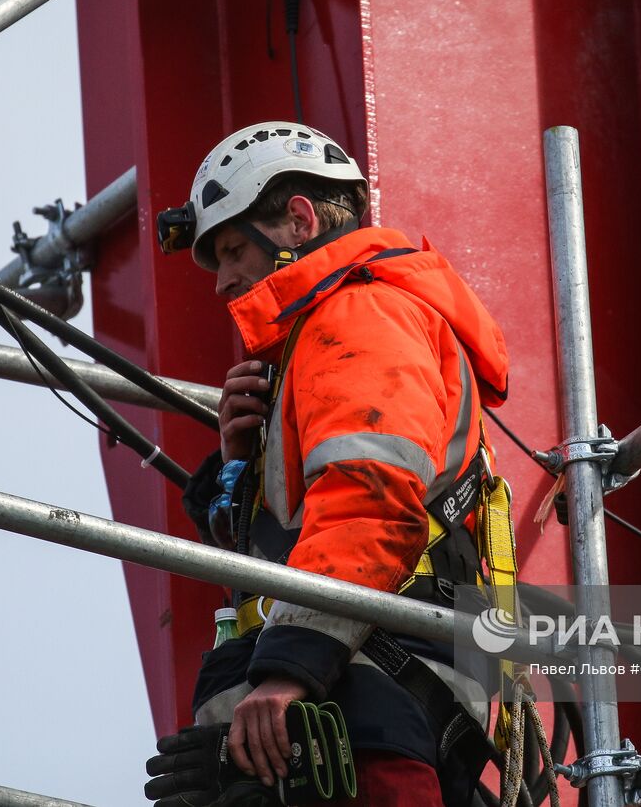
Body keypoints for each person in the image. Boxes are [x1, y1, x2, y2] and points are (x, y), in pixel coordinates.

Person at [144, 121, 512, 807]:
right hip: (348, 686)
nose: (222, 282)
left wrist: (289, 672)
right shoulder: (318, 342)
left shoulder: (360, 311)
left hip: (363, 687)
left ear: (299, 219)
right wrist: (236, 468)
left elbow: (371, 501)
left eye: (230, 250)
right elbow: (301, 536)